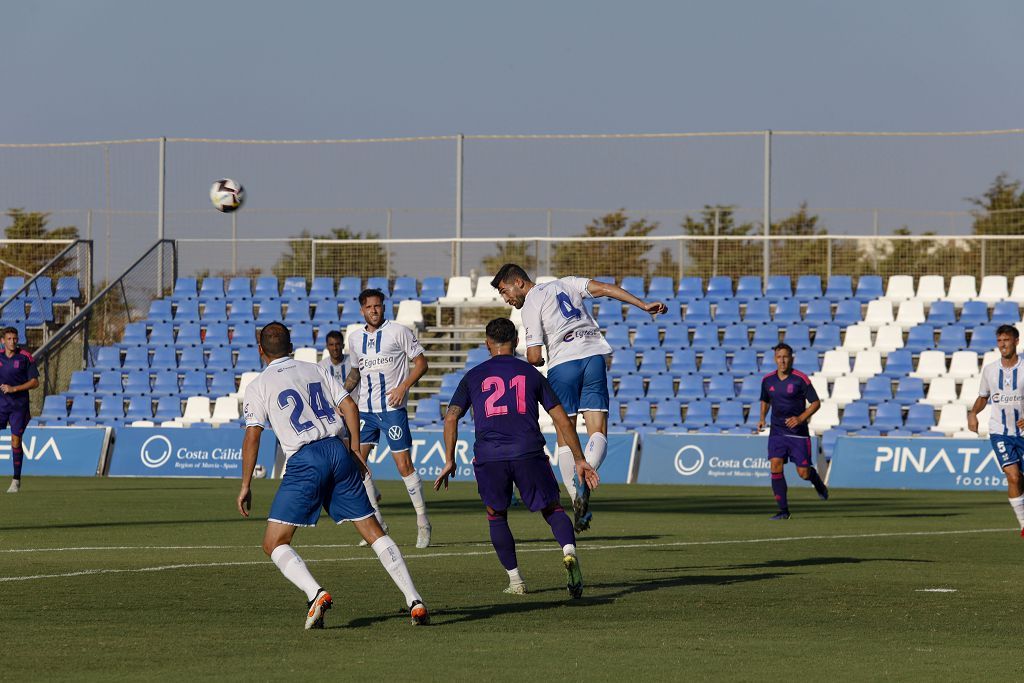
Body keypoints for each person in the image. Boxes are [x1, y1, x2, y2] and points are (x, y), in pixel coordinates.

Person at [237, 321, 428, 629]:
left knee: (274, 543)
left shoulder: (259, 385)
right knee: (374, 531)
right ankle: (415, 600)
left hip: (304, 460)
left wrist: (246, 485)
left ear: (261, 350)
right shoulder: (315, 369)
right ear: (291, 345)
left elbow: (252, 437)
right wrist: (353, 450)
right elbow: (350, 406)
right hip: (337, 450)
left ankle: (316, 594)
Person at [490, 263, 667, 531]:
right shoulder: (568, 282)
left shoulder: (530, 304)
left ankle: (576, 494)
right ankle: (588, 475)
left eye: (505, 291)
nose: (506, 298)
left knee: (565, 433)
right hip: (594, 357)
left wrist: (530, 360)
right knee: (598, 429)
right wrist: (642, 305)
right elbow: (606, 289)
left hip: (564, 366)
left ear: (518, 282)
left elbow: (536, 356)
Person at [433, 317, 600, 598]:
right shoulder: (532, 374)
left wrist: (449, 458)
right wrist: (580, 458)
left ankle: (516, 581)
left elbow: (451, 418)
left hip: (490, 456)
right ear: (517, 342)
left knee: (496, 514)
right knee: (552, 508)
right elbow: (560, 419)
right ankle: (569, 552)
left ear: (488, 344)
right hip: (528, 451)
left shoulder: (473, 376)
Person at [345, 289, 432, 548]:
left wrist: (404, 386)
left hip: (392, 410)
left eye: (378, 306)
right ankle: (379, 524)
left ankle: (423, 522)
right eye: (369, 307)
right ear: (362, 310)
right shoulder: (355, 339)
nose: (374, 310)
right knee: (357, 465)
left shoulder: (399, 332)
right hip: (365, 411)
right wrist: (338, 396)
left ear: (384, 308)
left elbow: (421, 363)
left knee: (404, 466)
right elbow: (354, 374)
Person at [320, 328, 387, 538]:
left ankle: (375, 514)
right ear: (327, 346)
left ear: (342, 345)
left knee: (354, 460)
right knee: (352, 461)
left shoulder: (352, 363)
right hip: (334, 418)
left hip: (355, 414)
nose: (335, 348)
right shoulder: (322, 367)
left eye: (338, 344)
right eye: (331, 344)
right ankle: (372, 492)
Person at [756, 343, 828, 519]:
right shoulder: (767, 380)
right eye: (779, 357)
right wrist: (762, 418)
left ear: (791, 358)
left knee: (803, 473)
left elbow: (816, 403)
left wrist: (800, 418)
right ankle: (783, 511)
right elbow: (765, 400)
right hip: (777, 432)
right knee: (775, 464)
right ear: (775, 359)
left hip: (798, 434)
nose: (782, 360)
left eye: (785, 357)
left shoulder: (800, 379)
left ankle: (817, 482)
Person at [967, 324, 1024, 537]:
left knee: (1020, 479)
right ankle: (1023, 524)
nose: (1003, 345)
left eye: (1006, 340)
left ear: (1016, 342)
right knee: (1012, 476)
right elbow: (983, 397)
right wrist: (973, 413)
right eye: (1000, 341)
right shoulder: (990, 370)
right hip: (1000, 431)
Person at [0, 327, 39, 494]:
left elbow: (35, 382)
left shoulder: (25, 357)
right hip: (1, 404)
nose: (12, 342)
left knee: (16, 440)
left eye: (15, 338)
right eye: (9, 339)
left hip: (19, 406)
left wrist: (14, 389)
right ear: (3, 341)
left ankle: (16, 480)